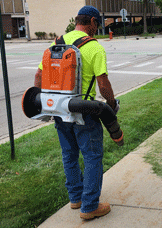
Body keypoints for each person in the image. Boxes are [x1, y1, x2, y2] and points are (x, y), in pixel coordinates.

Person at [33, 5, 116, 220]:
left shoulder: (57, 42)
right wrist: (111, 105)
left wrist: (45, 103)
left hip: (59, 111)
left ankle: (76, 198)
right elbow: (103, 84)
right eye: (96, 24)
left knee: (69, 154)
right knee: (92, 157)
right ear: (91, 22)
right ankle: (89, 207)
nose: (96, 29)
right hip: (85, 112)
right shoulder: (94, 47)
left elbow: (39, 75)